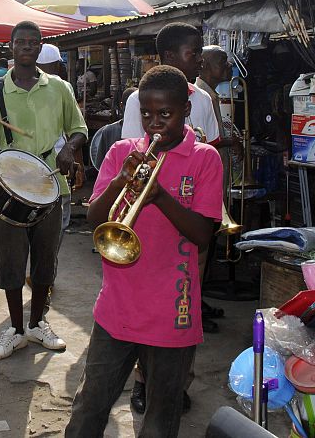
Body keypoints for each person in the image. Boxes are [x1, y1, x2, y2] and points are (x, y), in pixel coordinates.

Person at [65, 65, 223, 438]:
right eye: (146, 114)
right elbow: (95, 218)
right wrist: (122, 179)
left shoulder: (204, 159)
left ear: (186, 110)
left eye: (165, 114)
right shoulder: (122, 152)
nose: (154, 124)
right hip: (117, 307)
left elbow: (202, 234)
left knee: (161, 417)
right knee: (90, 405)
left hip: (174, 310)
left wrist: (159, 197)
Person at [121, 22, 221, 412]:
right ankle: (142, 380)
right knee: (147, 302)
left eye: (198, 52)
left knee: (185, 302)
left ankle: (178, 381)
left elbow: (209, 153)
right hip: (149, 217)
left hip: (190, 218)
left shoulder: (204, 100)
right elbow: (134, 155)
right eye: (192, 52)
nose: (199, 58)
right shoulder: (138, 101)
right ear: (167, 58)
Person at [0, 21, 87, 360]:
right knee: (10, 259)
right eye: (20, 41)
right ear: (11, 47)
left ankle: (38, 322)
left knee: (45, 258)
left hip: (51, 183)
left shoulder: (59, 87)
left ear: (40, 47)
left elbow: (79, 129)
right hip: (11, 187)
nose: (26, 46)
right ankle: (15, 329)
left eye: (32, 42)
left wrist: (70, 148)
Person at [89, 87, 137, 170]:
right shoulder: (108, 131)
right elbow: (100, 166)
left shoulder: (147, 132)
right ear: (122, 106)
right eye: (131, 107)